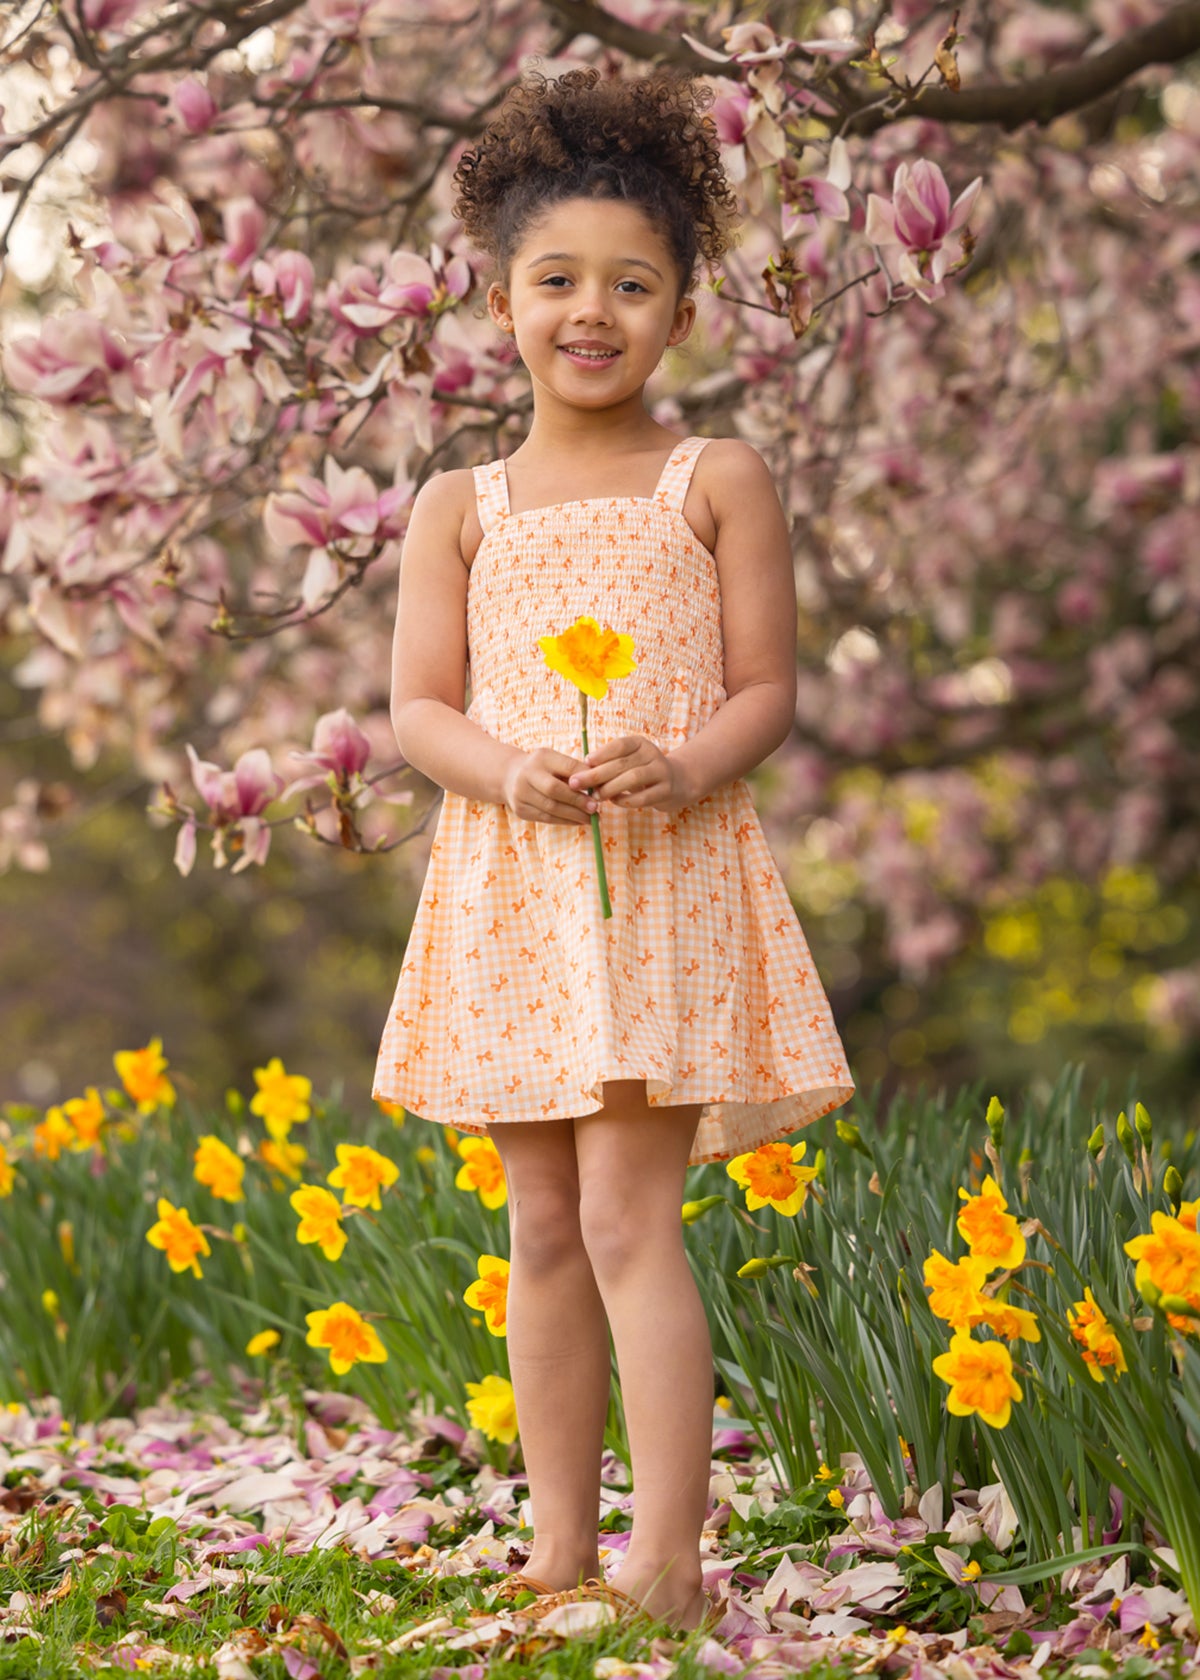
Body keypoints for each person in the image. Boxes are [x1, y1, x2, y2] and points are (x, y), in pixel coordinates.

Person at [373, 65, 855, 1634]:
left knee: (628, 1216)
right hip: (517, 885)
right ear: (499, 298)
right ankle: (562, 1546)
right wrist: (511, 774)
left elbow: (769, 690)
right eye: (558, 280)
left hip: (656, 881)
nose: (594, 311)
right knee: (537, 1226)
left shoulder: (710, 480)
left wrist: (683, 757)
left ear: (682, 310)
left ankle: (666, 1560)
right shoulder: (462, 504)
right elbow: (419, 709)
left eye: (632, 285)